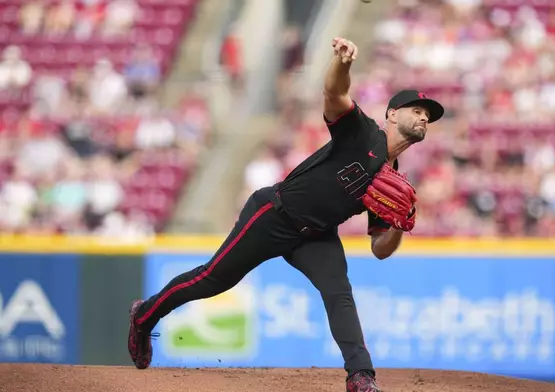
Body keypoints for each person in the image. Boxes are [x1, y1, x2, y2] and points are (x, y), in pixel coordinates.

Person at [127, 37, 444, 392]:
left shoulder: (392, 180)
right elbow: (333, 94)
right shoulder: (363, 132)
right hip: (274, 213)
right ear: (391, 114)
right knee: (213, 279)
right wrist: (342, 63)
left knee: (339, 292)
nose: (423, 117)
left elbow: (379, 248)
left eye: (427, 115)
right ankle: (144, 315)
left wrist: (399, 227)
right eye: (416, 110)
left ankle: (361, 376)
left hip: (317, 234)